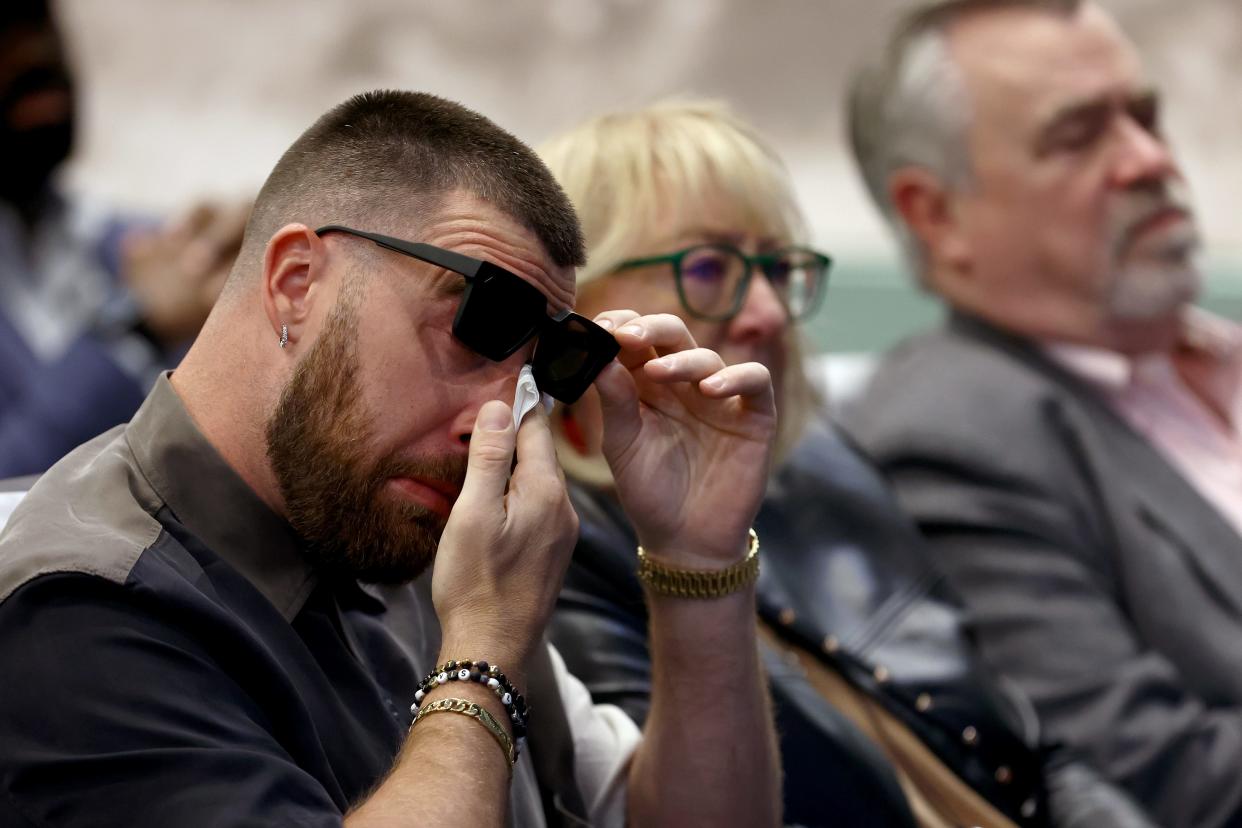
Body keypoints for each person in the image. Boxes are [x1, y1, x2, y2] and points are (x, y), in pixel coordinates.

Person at [0, 90, 781, 828]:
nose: (496, 419)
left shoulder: (405, 533)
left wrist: (697, 562)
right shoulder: (83, 607)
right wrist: (480, 656)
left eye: (543, 364)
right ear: (297, 283)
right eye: (477, 324)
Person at [537, 99, 1154, 828]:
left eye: (775, 267)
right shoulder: (552, 547)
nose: (765, 310)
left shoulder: (821, 464)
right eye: (709, 267)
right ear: (578, 301)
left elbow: (1033, 753)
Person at [843, 2, 1242, 825]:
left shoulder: (1215, 354)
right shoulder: (950, 439)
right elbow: (1155, 775)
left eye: (1144, 116)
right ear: (936, 215)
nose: (1149, 159)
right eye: (1079, 136)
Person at [0, 0, 246, 477]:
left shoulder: (131, 244)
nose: (36, 52)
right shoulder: (144, 291)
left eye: (41, 22)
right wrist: (133, 330)